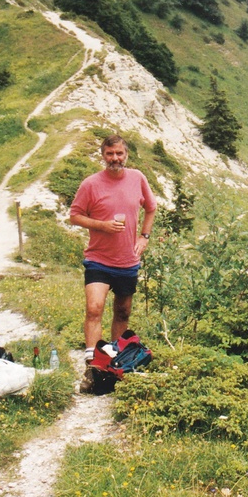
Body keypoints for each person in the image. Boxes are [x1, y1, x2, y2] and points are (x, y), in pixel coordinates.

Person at [69, 134, 156, 393]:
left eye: (119, 153)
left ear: (126, 154)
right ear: (103, 155)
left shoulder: (137, 178)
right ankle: (93, 364)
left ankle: (115, 362)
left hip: (128, 260)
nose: (115, 159)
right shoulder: (91, 184)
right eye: (110, 154)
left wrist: (144, 237)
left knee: (123, 312)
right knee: (94, 308)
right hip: (98, 258)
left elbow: (151, 208)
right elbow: (75, 216)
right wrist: (102, 225)